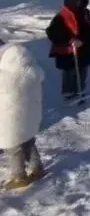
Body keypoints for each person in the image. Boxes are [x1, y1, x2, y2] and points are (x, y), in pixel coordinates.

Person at [0, 40, 45, 190]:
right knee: (28, 142)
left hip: (10, 120)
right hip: (29, 117)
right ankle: (37, 167)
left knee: (13, 147)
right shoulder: (33, 70)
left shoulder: (5, 78)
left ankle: (19, 177)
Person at [45, 0, 90, 104]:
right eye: (78, 2)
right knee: (70, 71)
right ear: (72, 3)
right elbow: (52, 32)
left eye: (82, 2)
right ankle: (68, 92)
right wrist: (70, 40)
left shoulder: (84, 12)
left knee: (82, 70)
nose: (81, 4)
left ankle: (79, 90)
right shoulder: (61, 17)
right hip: (69, 51)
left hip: (84, 48)